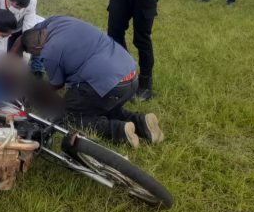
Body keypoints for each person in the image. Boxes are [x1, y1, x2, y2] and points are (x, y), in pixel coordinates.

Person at [18, 16, 164, 148]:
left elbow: (57, 84)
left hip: (109, 84)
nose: (36, 56)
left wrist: (39, 90)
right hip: (130, 76)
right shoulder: (57, 21)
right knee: (100, 106)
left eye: (33, 53)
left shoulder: (49, 53)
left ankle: (119, 131)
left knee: (70, 114)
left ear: (36, 48)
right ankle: (141, 122)